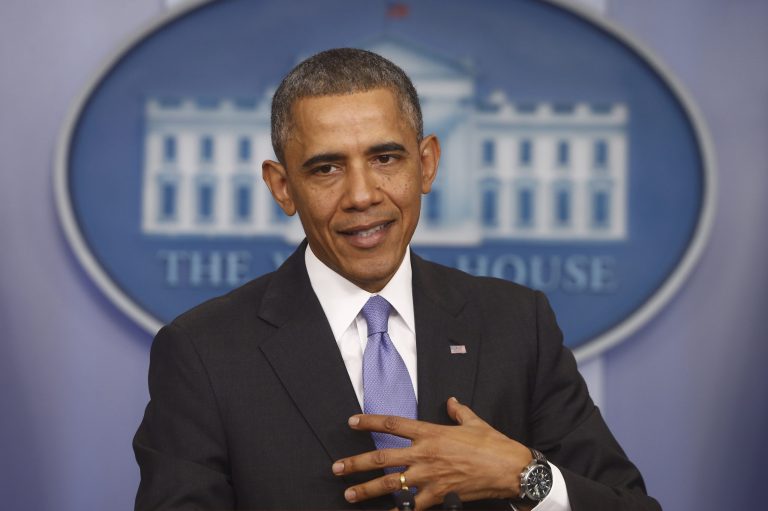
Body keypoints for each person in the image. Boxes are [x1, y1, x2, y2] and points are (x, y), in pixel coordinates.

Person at [134, 48, 661, 511]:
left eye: (385, 158)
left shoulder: (517, 324)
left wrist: (523, 476)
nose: (362, 194)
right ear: (282, 186)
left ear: (426, 164)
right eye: (326, 169)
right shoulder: (203, 351)